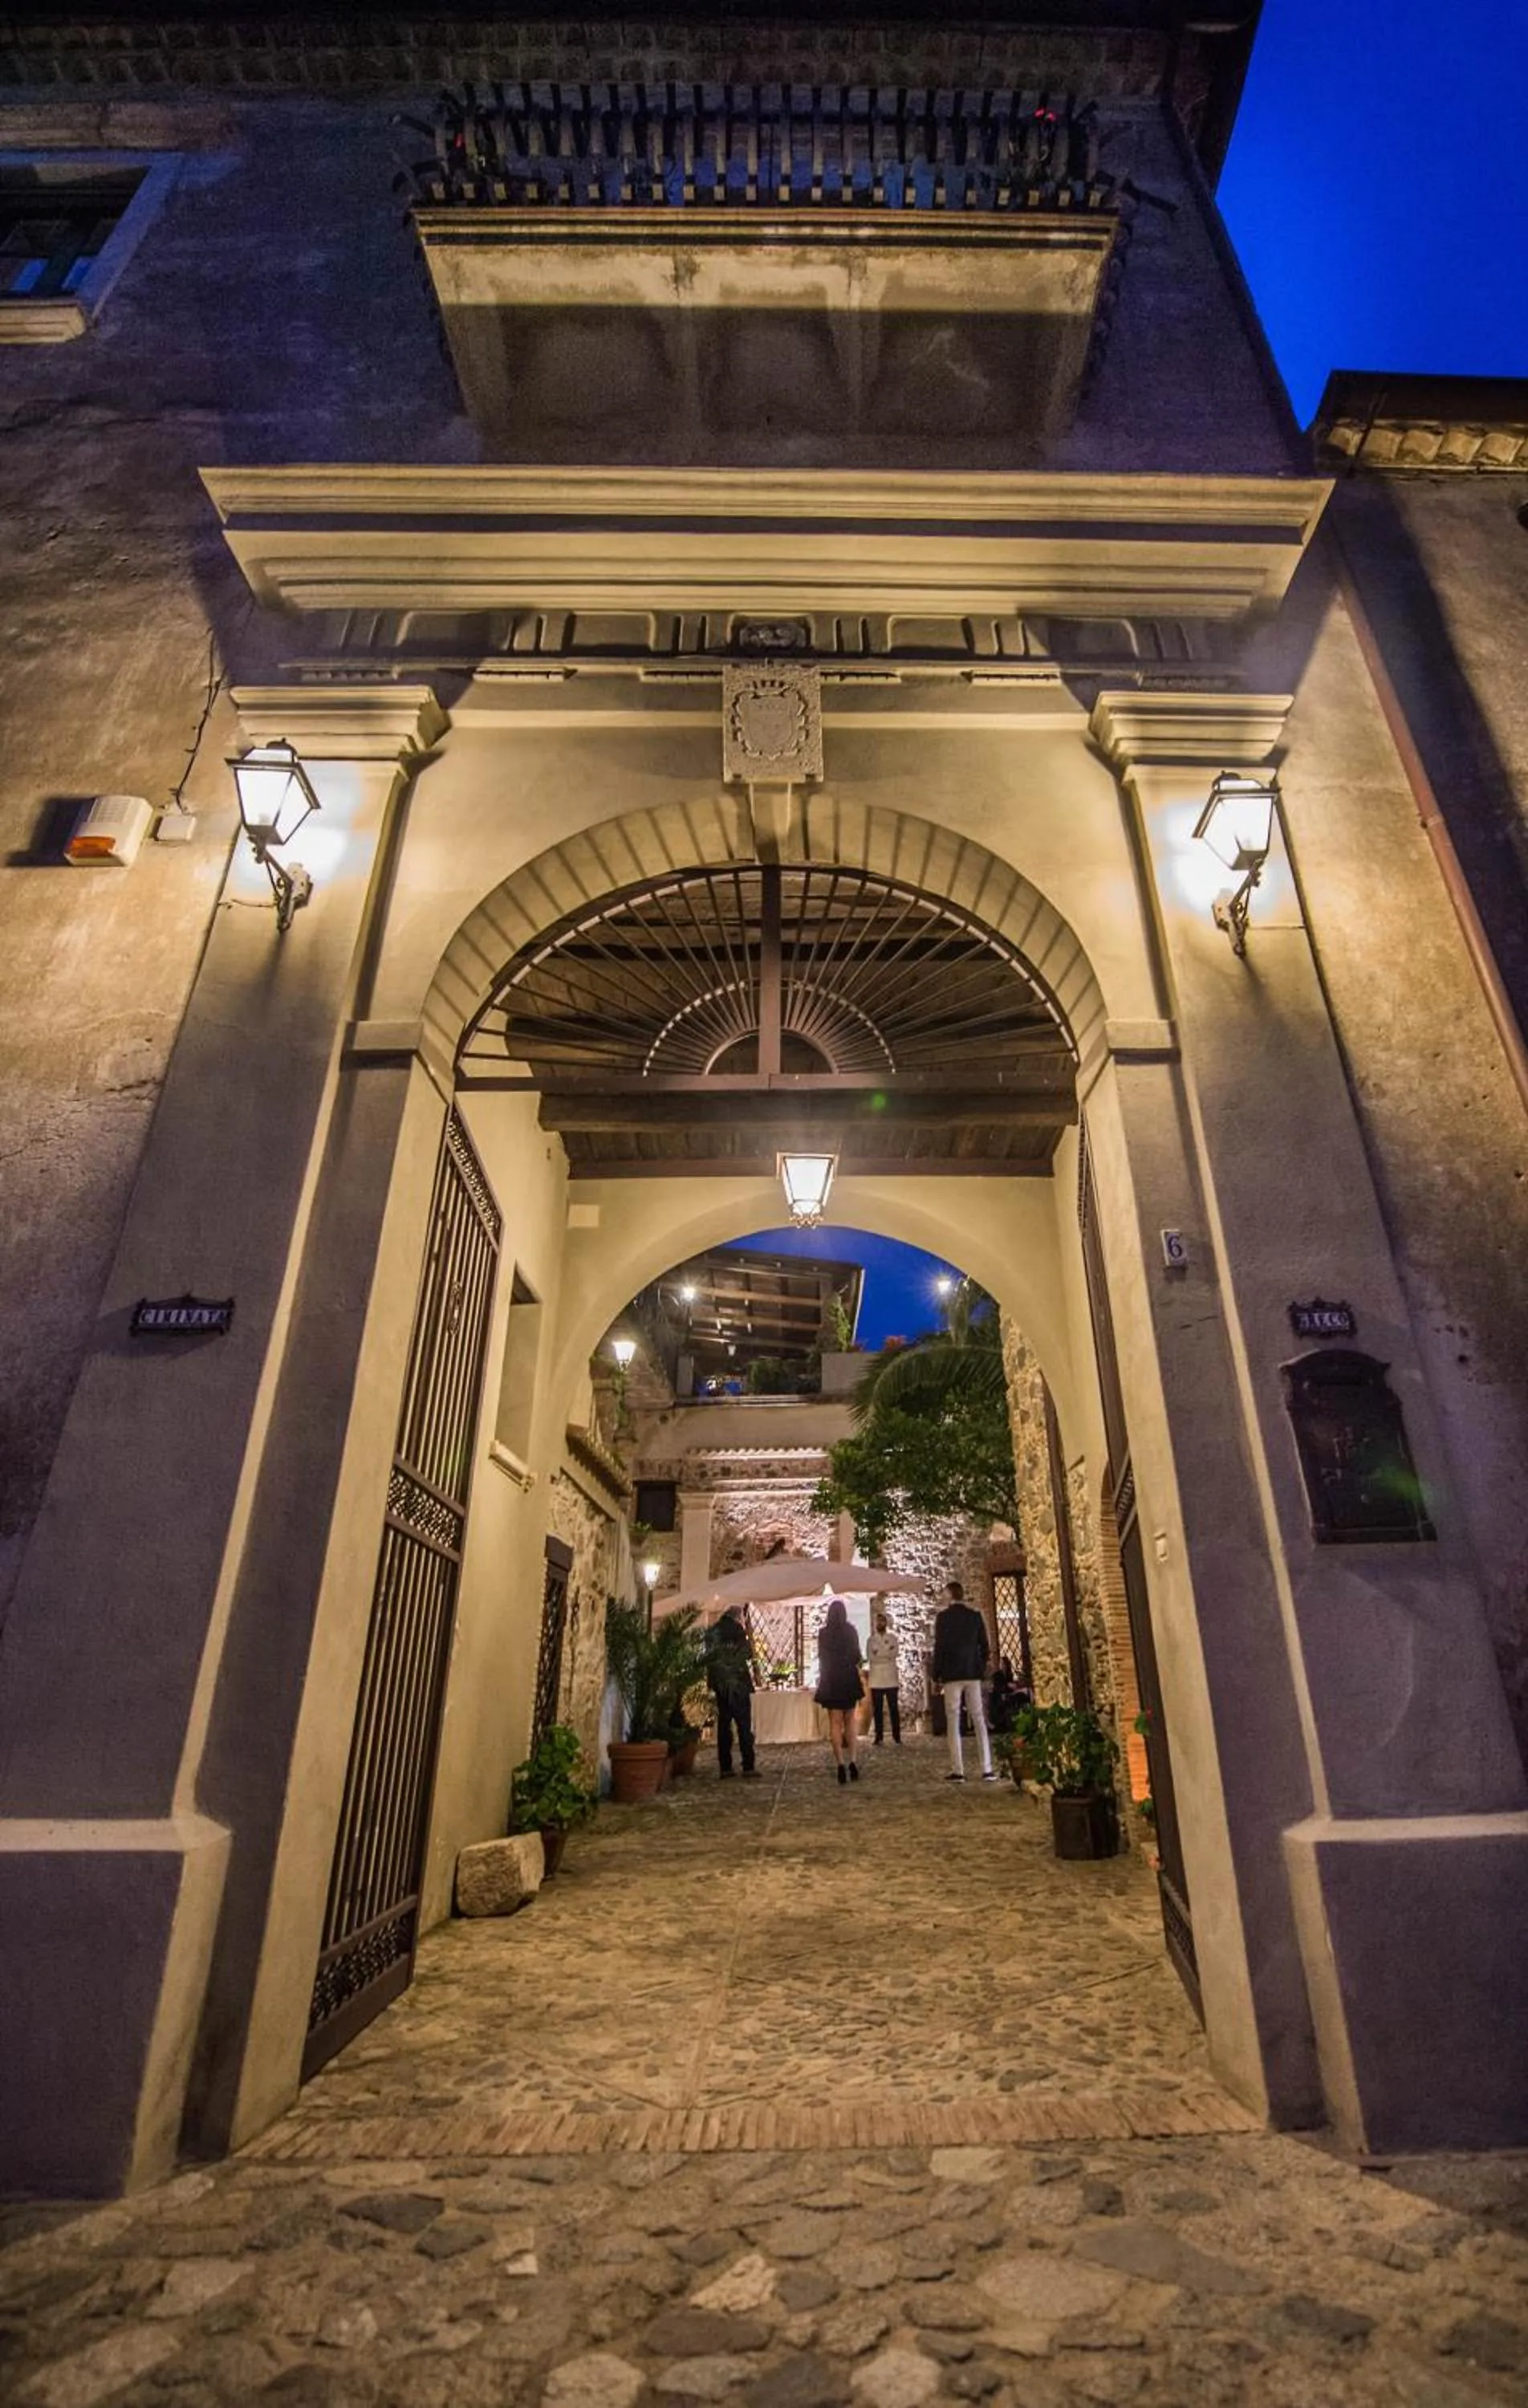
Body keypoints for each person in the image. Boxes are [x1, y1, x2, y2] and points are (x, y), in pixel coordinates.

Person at [931, 1578, 995, 1781]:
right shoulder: (975, 1617)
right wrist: (980, 1665)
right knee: (978, 1719)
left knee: (953, 1719)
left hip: (952, 1675)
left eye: (944, 1593)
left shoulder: (943, 1618)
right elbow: (984, 1646)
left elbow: (939, 1648)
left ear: (950, 1595)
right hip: (972, 1673)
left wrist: (936, 1674)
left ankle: (958, 1770)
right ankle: (987, 1768)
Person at [704, 1605, 760, 1780]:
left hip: (722, 1685)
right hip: (739, 1684)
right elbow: (747, 1654)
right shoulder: (737, 1630)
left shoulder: (713, 1631)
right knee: (744, 1725)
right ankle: (748, 1765)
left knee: (724, 1725)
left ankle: (725, 1767)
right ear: (738, 1617)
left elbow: (710, 1659)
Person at [813, 1597, 866, 1784]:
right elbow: (857, 1656)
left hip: (831, 1679)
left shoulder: (824, 1634)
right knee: (850, 1720)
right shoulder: (850, 1631)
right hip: (848, 1678)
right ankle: (852, 1760)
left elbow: (821, 1657)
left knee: (835, 1723)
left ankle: (840, 1764)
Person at [866, 1605, 902, 1745]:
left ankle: (897, 1736)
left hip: (891, 1678)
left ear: (886, 1623)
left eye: (882, 1621)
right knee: (878, 1710)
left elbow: (895, 1653)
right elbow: (871, 1657)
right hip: (876, 1680)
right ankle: (878, 1736)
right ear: (875, 1624)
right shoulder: (871, 1640)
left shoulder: (892, 1638)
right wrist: (885, 1655)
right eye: (878, 1622)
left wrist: (881, 1655)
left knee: (894, 1709)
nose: (880, 1624)